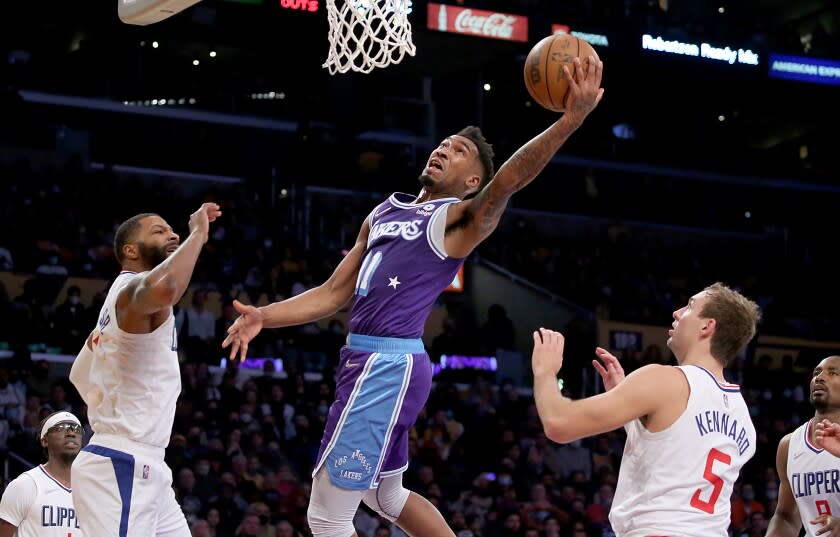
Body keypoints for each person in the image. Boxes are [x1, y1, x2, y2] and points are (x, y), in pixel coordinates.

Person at [222, 57, 604, 537]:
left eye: (460, 150)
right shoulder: (384, 210)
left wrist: (571, 119)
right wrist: (264, 315)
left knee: (325, 514)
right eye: (444, 142)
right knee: (385, 495)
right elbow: (332, 292)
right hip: (361, 361)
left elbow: (508, 180)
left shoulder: (457, 219)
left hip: (388, 367)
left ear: (472, 181)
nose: (444, 148)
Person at [530, 282, 761, 536]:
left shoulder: (664, 380)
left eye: (690, 306)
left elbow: (559, 424)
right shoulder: (742, 416)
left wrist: (545, 372)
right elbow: (673, 450)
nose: (677, 312)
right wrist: (631, 407)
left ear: (707, 326)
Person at [68, 203, 222, 536]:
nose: (172, 234)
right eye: (159, 230)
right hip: (122, 461)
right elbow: (167, 288)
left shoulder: (114, 309)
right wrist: (197, 234)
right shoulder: (131, 289)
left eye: (173, 230)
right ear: (130, 250)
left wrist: (116, 408)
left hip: (143, 460)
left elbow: (80, 374)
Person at [766, 355, 840, 536]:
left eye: (833, 373)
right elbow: (786, 516)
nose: (820, 377)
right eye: (817, 372)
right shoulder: (789, 445)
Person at [0, 411, 85, 536]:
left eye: (77, 429)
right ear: (44, 440)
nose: (71, 433)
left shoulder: (91, 491)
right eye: (62, 428)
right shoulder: (26, 484)